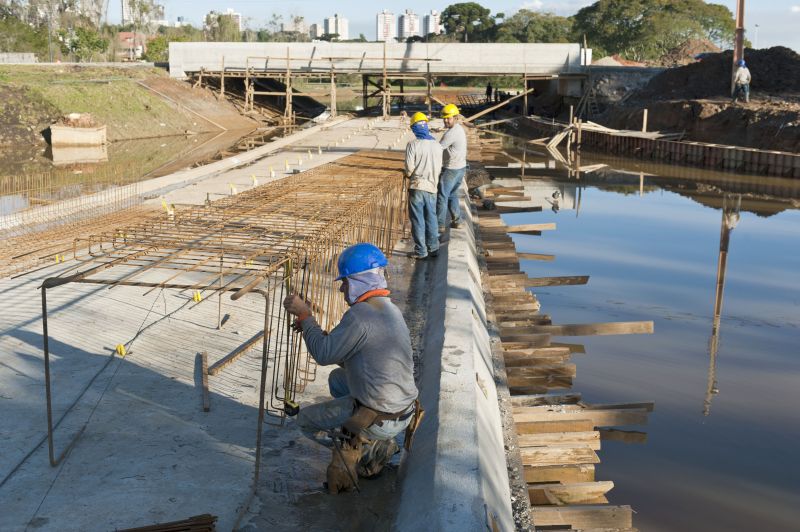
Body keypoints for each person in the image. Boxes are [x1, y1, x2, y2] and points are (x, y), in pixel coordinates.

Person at [283, 243, 419, 480]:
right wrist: (312, 330)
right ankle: (375, 439)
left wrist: (305, 315)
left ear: (358, 281)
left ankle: (366, 451)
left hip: (382, 417)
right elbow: (351, 354)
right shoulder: (388, 309)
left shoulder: (360, 315)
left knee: (304, 421)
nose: (342, 289)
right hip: (403, 410)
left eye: (345, 282)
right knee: (338, 380)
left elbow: (324, 355)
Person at [404, 111, 443, 259]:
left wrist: (407, 174)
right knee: (431, 218)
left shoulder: (413, 145)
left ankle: (421, 251)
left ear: (414, 128)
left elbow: (409, 169)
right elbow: (439, 167)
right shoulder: (437, 145)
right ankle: (433, 248)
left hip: (417, 187)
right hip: (432, 187)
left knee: (418, 220)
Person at [437, 103, 468, 232]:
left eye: (448, 118)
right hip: (460, 168)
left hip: (451, 169)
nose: (445, 120)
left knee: (442, 196)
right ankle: (457, 220)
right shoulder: (458, 129)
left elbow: (438, 148)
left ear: (455, 118)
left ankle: (439, 225)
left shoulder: (452, 133)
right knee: (452, 195)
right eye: (444, 118)